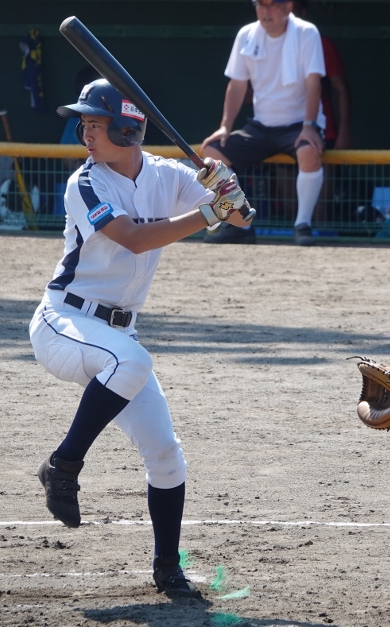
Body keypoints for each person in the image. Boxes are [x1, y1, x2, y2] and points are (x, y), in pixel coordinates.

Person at [29, 79, 251, 597]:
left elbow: (240, 218)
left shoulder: (168, 175)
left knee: (166, 453)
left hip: (118, 335)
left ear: (128, 130)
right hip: (64, 324)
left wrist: (226, 184)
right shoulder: (85, 183)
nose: (86, 133)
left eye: (96, 124)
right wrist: (209, 212)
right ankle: (63, 465)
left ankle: (168, 568)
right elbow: (132, 239)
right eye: (83, 124)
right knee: (132, 362)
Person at [201, 0, 326, 246]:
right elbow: (237, 84)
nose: (265, 11)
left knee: (309, 152)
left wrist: (309, 125)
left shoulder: (307, 32)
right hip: (260, 126)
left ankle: (303, 225)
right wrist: (225, 126)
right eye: (260, 4)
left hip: (298, 125)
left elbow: (314, 82)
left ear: (288, 6)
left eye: (272, 4)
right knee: (211, 152)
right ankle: (240, 224)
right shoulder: (246, 34)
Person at [292, 0, 351, 151]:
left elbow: (342, 89)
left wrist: (344, 131)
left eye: (293, 9)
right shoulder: (269, 45)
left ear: (303, 12)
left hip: (322, 131)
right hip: (282, 131)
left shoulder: (323, 44)